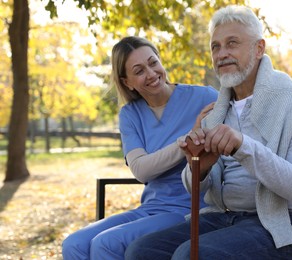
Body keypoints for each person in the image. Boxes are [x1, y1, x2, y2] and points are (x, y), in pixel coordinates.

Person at [125, 5, 292, 260]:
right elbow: (193, 186)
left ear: (259, 48)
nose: (222, 54)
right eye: (216, 46)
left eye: (232, 43)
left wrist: (243, 147)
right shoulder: (216, 111)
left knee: (191, 255)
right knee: (141, 252)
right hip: (228, 216)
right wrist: (199, 166)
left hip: (289, 222)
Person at [61, 36, 218, 259]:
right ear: (127, 82)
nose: (151, 73)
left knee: (105, 243)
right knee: (74, 244)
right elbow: (141, 170)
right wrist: (186, 140)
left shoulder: (205, 97)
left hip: (189, 208)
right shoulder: (130, 114)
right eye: (139, 70)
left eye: (153, 63)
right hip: (151, 208)